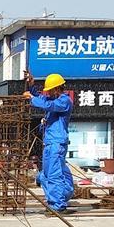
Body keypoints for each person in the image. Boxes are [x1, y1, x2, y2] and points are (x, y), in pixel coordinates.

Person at [23, 72, 74, 212]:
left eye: (50, 90)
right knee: (45, 175)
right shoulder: (53, 101)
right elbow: (43, 99)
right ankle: (61, 196)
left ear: (57, 89)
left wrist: (32, 98)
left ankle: (58, 205)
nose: (48, 93)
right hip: (49, 144)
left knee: (54, 175)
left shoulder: (64, 101)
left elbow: (47, 104)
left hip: (57, 144)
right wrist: (32, 86)